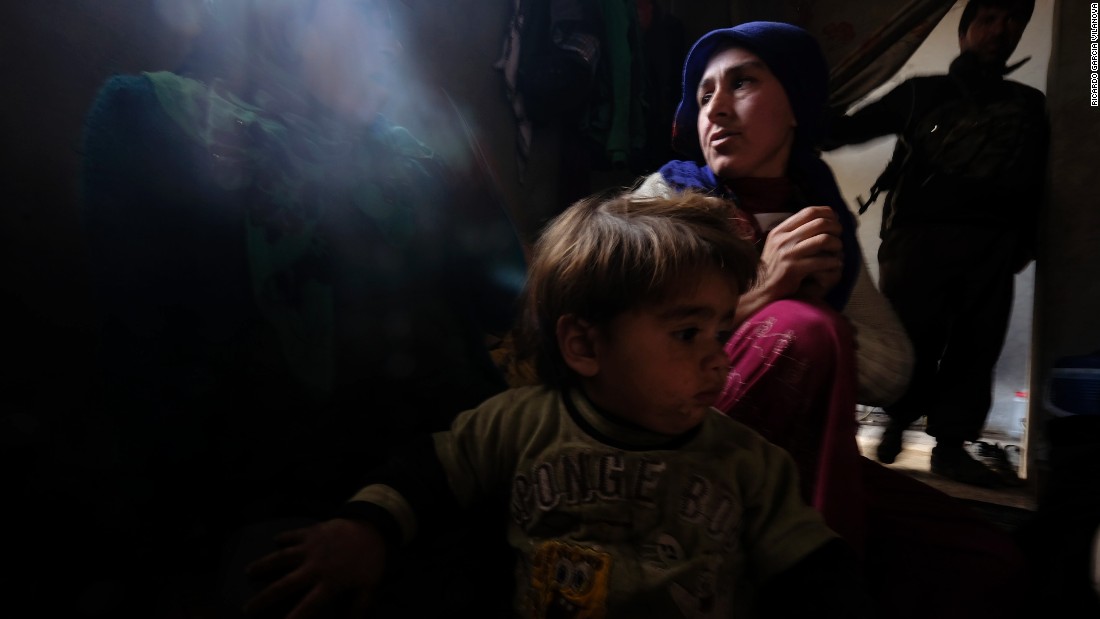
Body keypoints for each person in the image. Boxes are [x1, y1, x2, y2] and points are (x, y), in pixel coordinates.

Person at [79, 0, 526, 614]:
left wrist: (456, 151)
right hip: (276, 509)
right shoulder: (152, 115)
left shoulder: (409, 149)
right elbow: (141, 368)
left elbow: (504, 298)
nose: (386, 42)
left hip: (446, 474)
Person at [243, 190, 874, 618]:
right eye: (687, 334)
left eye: (720, 331)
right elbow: (431, 470)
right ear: (583, 344)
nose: (719, 358)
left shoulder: (748, 463)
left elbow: (814, 568)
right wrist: (365, 529)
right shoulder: (522, 423)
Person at [630, 21, 1031, 619]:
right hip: (686, 450)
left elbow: (892, 370)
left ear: (796, 105)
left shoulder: (820, 220)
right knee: (806, 329)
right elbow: (629, 352)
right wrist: (765, 296)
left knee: (995, 562)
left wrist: (814, 304)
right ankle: (821, 580)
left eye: (742, 83)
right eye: (705, 95)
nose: (715, 109)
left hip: (804, 463)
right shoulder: (668, 200)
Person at [823, 0, 1049, 488]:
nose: (1000, 29)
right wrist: (802, 102)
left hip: (993, 244)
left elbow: (1039, 179)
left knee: (976, 346)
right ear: (966, 30)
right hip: (917, 242)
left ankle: (950, 446)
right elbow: (844, 131)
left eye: (1012, 20)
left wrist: (1025, 241)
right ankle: (898, 422)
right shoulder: (920, 94)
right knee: (911, 341)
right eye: (988, 18)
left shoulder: (1030, 105)